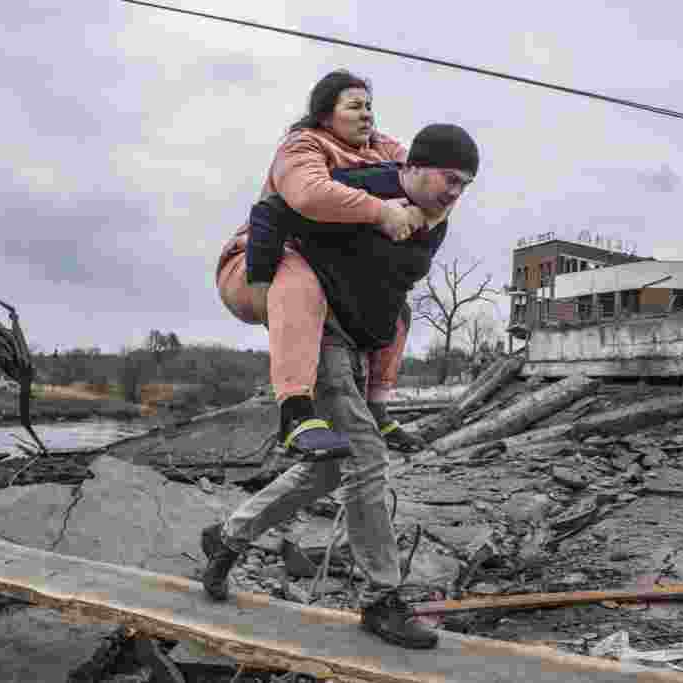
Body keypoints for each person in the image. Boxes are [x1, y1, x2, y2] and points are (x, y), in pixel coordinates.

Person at [203, 124, 480, 650]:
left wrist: (380, 395)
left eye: (465, 185)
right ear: (415, 167)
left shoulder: (434, 226)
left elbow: (394, 292)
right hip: (320, 331)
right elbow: (274, 210)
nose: (456, 193)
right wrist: (269, 279)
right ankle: (381, 599)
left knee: (330, 467)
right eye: (450, 178)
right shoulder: (366, 184)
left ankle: (230, 536)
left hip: (356, 344)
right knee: (367, 460)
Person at [216, 70, 430, 463]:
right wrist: (382, 210)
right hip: (258, 266)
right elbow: (309, 194)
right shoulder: (302, 146)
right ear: (325, 115)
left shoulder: (384, 148)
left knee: (398, 310)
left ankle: (380, 409)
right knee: (298, 277)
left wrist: (421, 199)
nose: (367, 114)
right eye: (355, 106)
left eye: (369, 106)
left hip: (333, 279)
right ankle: (295, 414)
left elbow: (426, 181)